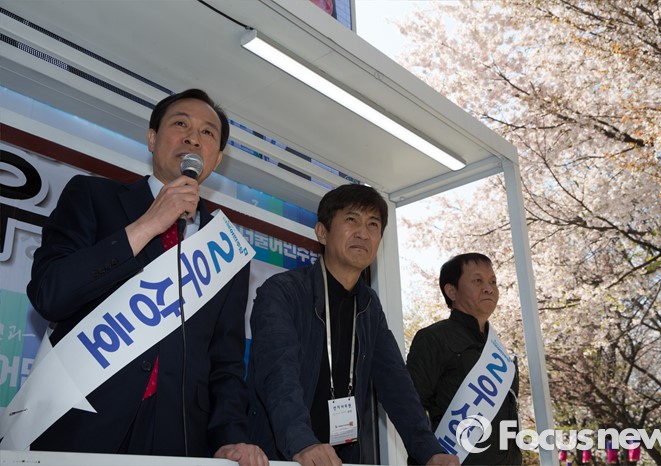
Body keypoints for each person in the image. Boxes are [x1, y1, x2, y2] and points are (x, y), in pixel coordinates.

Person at [26, 89, 267, 465]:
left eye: (207, 132)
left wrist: (230, 436)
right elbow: (50, 293)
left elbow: (226, 361)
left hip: (176, 436)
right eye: (181, 124)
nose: (193, 138)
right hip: (83, 423)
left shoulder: (226, 248)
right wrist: (148, 224)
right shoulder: (92, 196)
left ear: (217, 158)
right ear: (152, 138)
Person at [246, 184, 460, 466]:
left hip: (343, 459)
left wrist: (430, 452)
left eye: (373, 224)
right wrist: (302, 442)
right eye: (351, 220)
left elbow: (396, 384)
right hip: (282, 456)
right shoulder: (283, 291)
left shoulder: (369, 306)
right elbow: (278, 374)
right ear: (322, 232)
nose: (363, 233)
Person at [406, 253, 522, 465]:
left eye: (493, 282)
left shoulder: (498, 350)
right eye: (478, 281)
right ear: (452, 291)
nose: (489, 288)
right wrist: (428, 454)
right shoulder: (433, 338)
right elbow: (410, 405)